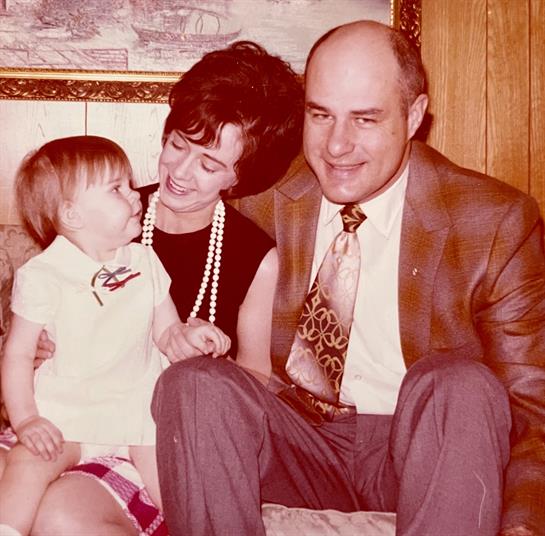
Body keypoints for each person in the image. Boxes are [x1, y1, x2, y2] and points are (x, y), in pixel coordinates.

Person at [151, 20, 545, 536]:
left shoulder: (493, 221)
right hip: (292, 442)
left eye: (365, 119)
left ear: (413, 116)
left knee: (461, 384)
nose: (337, 146)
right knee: (194, 383)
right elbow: (155, 216)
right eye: (321, 115)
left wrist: (523, 526)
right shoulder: (262, 191)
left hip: (422, 448)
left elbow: (529, 409)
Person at [0, 41, 303, 534]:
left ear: (240, 177)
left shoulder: (253, 256)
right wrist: (36, 351)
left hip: (151, 440)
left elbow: (255, 381)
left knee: (63, 517)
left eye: (208, 164)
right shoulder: (103, 214)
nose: (180, 172)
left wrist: (204, 358)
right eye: (178, 145)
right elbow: (36, 312)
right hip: (63, 416)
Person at [0, 135, 230, 536]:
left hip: (136, 417)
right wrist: (27, 419)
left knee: (177, 489)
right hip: (64, 415)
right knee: (26, 463)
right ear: (72, 214)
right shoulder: (43, 274)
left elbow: (167, 332)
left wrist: (192, 338)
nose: (135, 194)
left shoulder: (145, 260)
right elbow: (18, 354)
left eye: (129, 183)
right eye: (117, 189)